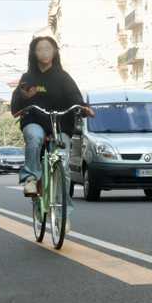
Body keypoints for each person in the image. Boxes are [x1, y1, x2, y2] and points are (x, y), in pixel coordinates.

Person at [10, 36, 94, 198]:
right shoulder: (28, 77)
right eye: (40, 49)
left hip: (60, 123)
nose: (44, 53)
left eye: (48, 48)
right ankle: (31, 179)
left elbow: (75, 98)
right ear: (33, 54)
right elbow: (16, 103)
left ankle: (64, 214)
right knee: (34, 138)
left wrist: (85, 108)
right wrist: (24, 97)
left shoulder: (63, 77)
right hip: (34, 120)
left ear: (55, 52)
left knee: (62, 161)